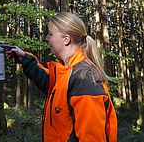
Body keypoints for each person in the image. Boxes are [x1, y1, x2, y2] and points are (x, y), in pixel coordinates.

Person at [9, 12, 118, 142]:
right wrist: (24, 58)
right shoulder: (67, 72)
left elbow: (92, 138)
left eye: (50, 34)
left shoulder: (84, 79)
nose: (47, 39)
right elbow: (48, 81)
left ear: (66, 39)